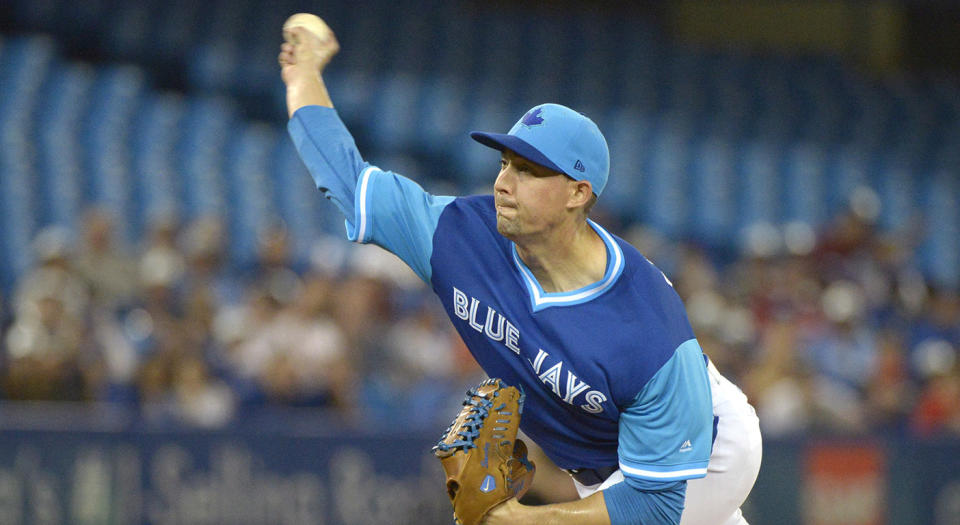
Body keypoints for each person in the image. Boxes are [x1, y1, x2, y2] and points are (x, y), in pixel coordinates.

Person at [278, 19, 761, 525]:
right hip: (605, 469)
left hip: (703, 457)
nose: (504, 183)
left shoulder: (646, 328)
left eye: (529, 171)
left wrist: (522, 519)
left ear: (579, 192)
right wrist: (303, 74)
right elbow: (347, 179)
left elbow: (655, 505)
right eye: (505, 162)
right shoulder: (460, 235)